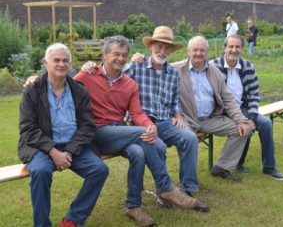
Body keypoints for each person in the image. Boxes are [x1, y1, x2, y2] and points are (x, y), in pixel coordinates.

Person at [74, 36, 209, 226]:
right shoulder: (87, 76)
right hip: (95, 133)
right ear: (105, 54)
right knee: (142, 135)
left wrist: (149, 125)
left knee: (138, 152)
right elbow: (61, 86)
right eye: (116, 54)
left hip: (118, 131)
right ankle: (165, 187)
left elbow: (137, 112)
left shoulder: (129, 84)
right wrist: (35, 80)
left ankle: (133, 206)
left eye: (124, 55)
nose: (120, 59)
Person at [18, 43, 109, 227]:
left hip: (71, 145)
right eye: (56, 60)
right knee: (41, 171)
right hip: (41, 147)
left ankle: (72, 220)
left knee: (99, 170)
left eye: (65, 60)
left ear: (70, 63)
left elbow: (87, 126)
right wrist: (53, 152)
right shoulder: (32, 90)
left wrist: (68, 151)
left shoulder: (79, 90)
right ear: (46, 63)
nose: (61, 64)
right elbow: (28, 128)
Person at [172, 36, 250, 181]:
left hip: (210, 118)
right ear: (189, 51)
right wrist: (138, 60)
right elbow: (155, 68)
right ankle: (187, 184)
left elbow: (228, 99)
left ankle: (222, 167)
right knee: (188, 140)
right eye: (195, 50)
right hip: (186, 119)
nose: (198, 53)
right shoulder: (176, 69)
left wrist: (241, 120)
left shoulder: (215, 72)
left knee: (242, 130)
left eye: (202, 50)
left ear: (207, 52)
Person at [211, 34, 283, 181]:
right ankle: (238, 163)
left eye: (237, 46)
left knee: (266, 123)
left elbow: (253, 95)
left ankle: (269, 167)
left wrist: (251, 117)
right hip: (222, 110)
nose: (234, 50)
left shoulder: (248, 66)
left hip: (243, 108)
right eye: (230, 46)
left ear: (242, 48)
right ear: (224, 48)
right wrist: (244, 121)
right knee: (247, 130)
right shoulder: (214, 66)